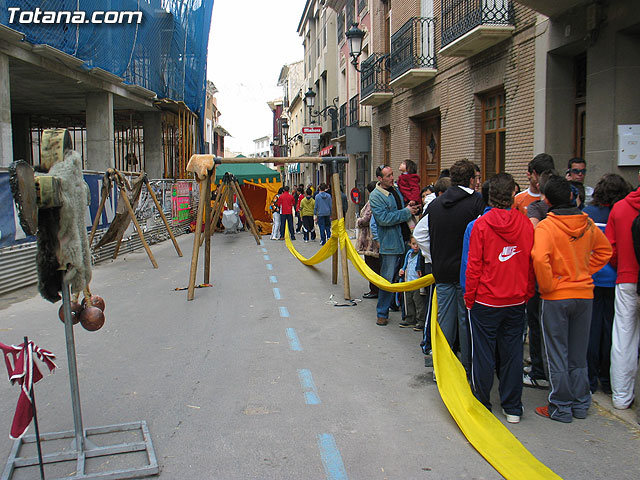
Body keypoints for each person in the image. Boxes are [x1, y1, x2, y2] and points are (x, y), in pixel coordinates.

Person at [532, 175, 611, 423]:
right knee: (578, 354)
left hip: (556, 295)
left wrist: (548, 286)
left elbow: (539, 259)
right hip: (584, 294)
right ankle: (580, 403)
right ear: (571, 196)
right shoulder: (587, 224)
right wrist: (585, 271)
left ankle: (560, 406)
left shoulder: (546, 227)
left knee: (556, 352)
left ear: (546, 200)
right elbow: (605, 251)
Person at [464, 173, 535, 424]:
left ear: (490, 196)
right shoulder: (525, 224)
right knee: (512, 353)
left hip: (486, 300)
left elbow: (474, 266)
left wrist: (469, 297)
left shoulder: (481, 225)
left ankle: (483, 402)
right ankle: (513, 406)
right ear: (513, 195)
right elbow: (529, 262)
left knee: (483, 353)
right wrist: (527, 292)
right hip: (515, 299)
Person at [414, 159, 485, 375]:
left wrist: (435, 255)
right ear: (472, 180)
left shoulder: (435, 205)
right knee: (466, 321)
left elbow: (419, 234)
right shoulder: (477, 202)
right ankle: (466, 368)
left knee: (444, 321)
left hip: (442, 271)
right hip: (467, 273)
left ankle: (442, 369)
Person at [583, 174, 632, 394]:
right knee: (612, 331)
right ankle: (608, 378)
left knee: (591, 330)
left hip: (592, 277)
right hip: (616, 279)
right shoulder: (621, 213)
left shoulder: (587, 214)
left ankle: (590, 379)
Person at [605, 171, 640, 410]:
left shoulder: (619, 208)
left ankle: (621, 397)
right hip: (626, 275)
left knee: (623, 337)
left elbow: (611, 249)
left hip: (626, 278)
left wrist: (623, 266)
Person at [370, 165, 420, 326]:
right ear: (380, 179)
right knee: (387, 279)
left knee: (407, 276)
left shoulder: (395, 189)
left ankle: (409, 314)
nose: (392, 178)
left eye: (392, 174)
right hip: (390, 244)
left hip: (407, 239)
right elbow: (384, 219)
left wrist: (410, 206)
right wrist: (406, 212)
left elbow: (401, 207)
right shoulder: (376, 196)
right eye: (388, 176)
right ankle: (382, 313)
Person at [356, 181, 381, 299]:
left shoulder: (372, 202)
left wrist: (358, 221)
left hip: (370, 240)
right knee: (374, 266)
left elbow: (366, 219)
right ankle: (375, 289)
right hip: (371, 239)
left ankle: (374, 290)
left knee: (372, 266)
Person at [398, 236, 426, 329]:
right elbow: (405, 264)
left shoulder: (422, 254)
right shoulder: (409, 254)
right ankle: (410, 319)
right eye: (413, 244)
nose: (416, 246)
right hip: (408, 282)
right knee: (408, 301)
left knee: (419, 303)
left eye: (418, 244)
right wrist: (402, 269)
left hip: (417, 283)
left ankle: (421, 321)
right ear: (410, 244)